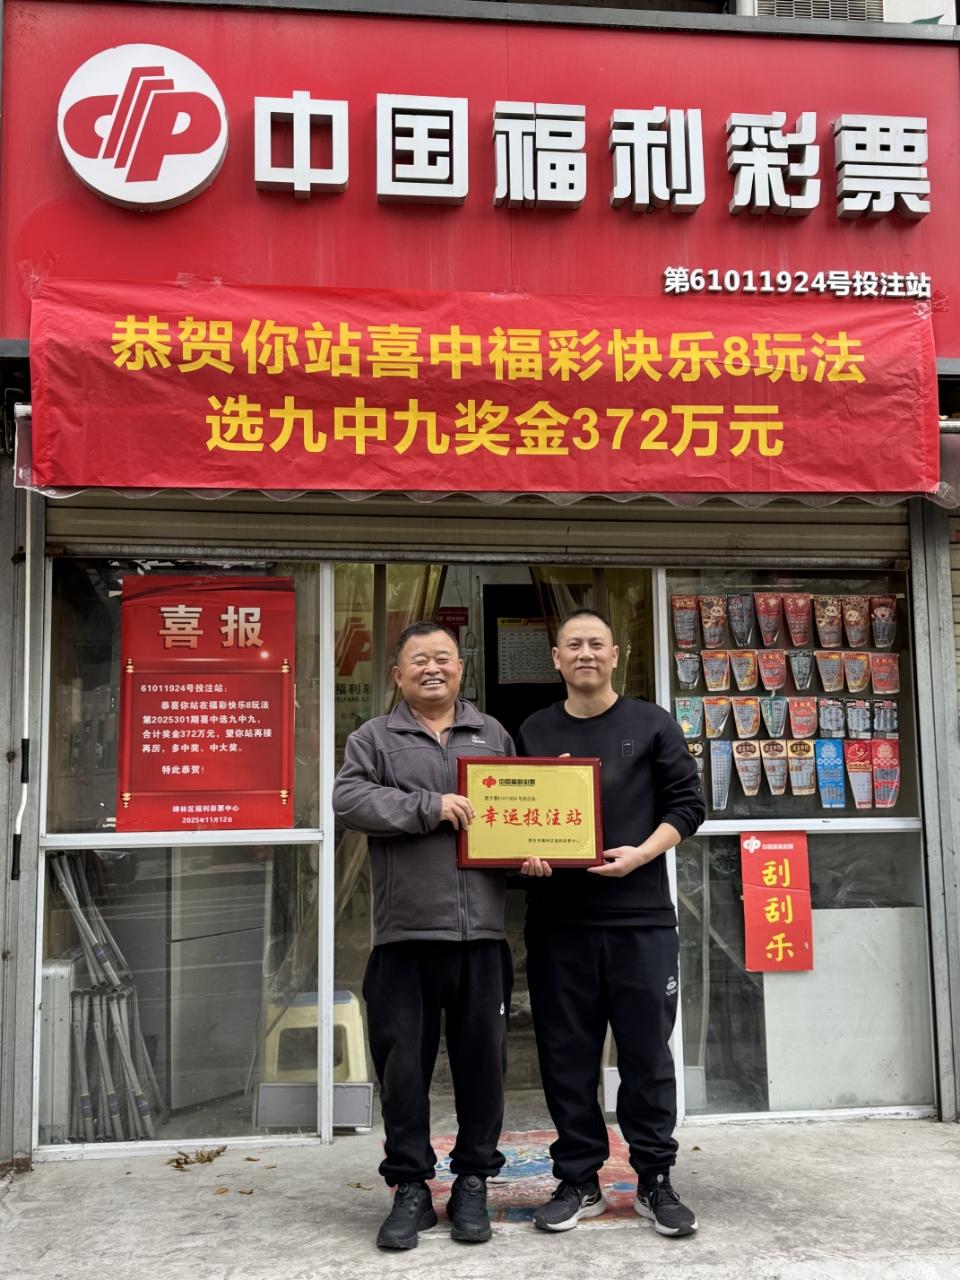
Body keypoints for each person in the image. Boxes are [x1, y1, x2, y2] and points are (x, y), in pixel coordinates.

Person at [517, 608, 705, 1238]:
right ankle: (579, 1179)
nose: (585, 654)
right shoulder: (535, 729)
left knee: (647, 1055)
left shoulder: (651, 723)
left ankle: (654, 1178)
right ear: (556, 658)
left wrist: (642, 856)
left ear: (616, 654)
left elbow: (688, 806)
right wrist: (525, 855)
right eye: (573, 645)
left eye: (596, 643)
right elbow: (515, 808)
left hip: (641, 921)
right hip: (559, 924)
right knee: (565, 1057)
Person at [332, 621, 515, 1251]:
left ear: (461, 668)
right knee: (403, 1070)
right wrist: (427, 806)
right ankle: (410, 1187)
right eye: (419, 660)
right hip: (404, 936)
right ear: (398, 675)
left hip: (481, 935)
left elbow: (519, 810)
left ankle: (472, 1182)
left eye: (443, 658)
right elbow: (349, 800)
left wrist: (535, 852)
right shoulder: (374, 738)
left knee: (482, 1068)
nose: (432, 668)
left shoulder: (492, 735)